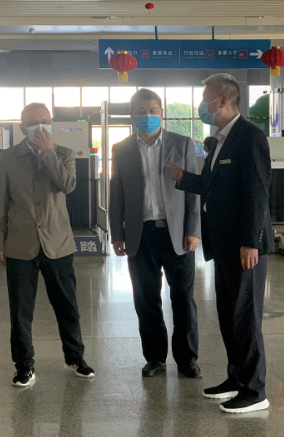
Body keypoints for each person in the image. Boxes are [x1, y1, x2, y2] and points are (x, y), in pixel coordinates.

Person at [165, 73, 274, 414]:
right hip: (224, 245)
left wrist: (251, 242)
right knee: (228, 315)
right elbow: (213, 187)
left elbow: (257, 193)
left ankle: (255, 390)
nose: (202, 105)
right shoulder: (220, 140)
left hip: (244, 247)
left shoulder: (249, 137)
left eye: (205, 99)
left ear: (222, 101)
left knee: (245, 317)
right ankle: (235, 378)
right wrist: (183, 178)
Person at [0, 102, 94, 387]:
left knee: (67, 305)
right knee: (21, 310)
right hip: (19, 244)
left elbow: (67, 185)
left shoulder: (64, 153)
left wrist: (48, 152)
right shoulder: (8, 157)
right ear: (22, 127)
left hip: (58, 244)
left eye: (46, 121)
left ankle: (75, 357)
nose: (41, 126)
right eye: (34, 122)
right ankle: (24, 365)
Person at [109, 88, 202, 379]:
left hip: (177, 235)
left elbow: (193, 191)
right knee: (146, 299)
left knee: (183, 299)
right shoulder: (121, 149)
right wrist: (117, 233)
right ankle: (155, 358)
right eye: (141, 111)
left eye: (152, 110)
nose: (147, 115)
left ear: (161, 113)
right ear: (132, 114)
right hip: (141, 235)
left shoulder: (182, 143)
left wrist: (193, 230)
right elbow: (116, 193)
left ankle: (187, 359)